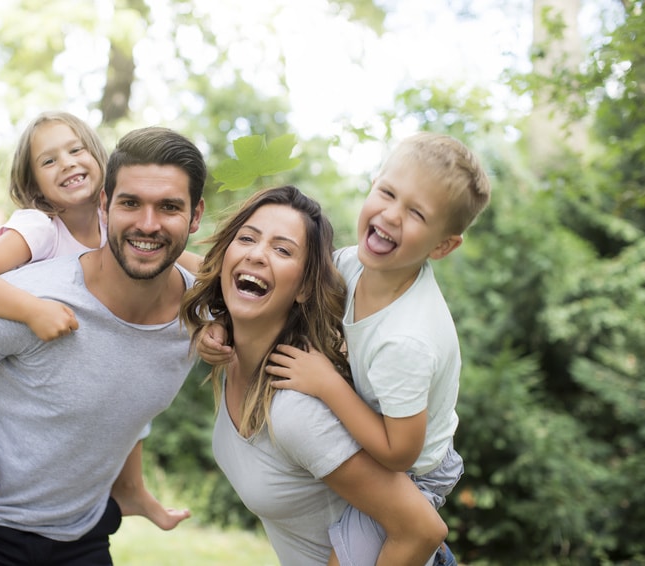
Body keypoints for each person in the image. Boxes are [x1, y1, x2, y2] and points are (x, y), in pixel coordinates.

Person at [0, 125, 206, 565]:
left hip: (81, 535)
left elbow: (196, 264)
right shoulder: (38, 246)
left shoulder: (196, 300)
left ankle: (130, 492)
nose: (147, 222)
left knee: (122, 386)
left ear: (194, 216)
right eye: (131, 203)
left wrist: (216, 303)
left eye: (169, 207)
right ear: (108, 202)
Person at [200, 133, 491, 564]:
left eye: (416, 213)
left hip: (416, 468)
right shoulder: (354, 264)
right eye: (388, 193)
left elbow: (400, 454)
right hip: (382, 439)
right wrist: (220, 320)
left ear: (442, 245)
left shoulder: (406, 338)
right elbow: (279, 283)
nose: (391, 215)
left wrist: (327, 386)